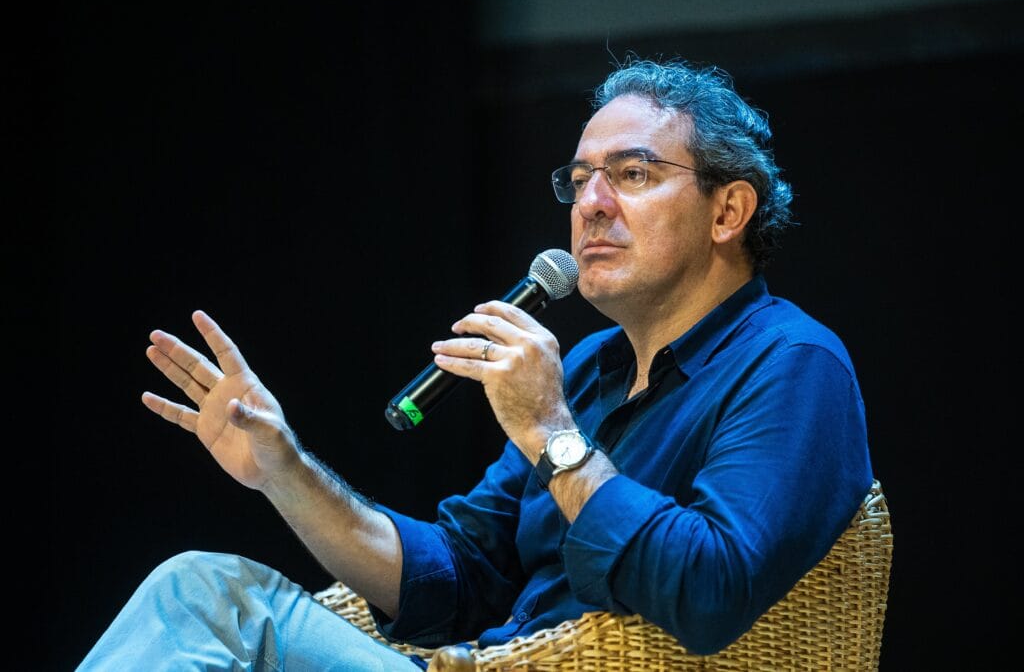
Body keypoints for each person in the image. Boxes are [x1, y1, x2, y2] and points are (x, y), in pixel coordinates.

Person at [78, 57, 873, 670]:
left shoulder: (793, 364)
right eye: (580, 178)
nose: (591, 202)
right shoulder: (593, 367)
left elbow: (710, 591)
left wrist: (552, 432)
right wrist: (284, 469)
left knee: (206, 595)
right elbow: (454, 579)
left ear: (729, 211)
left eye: (632, 173)